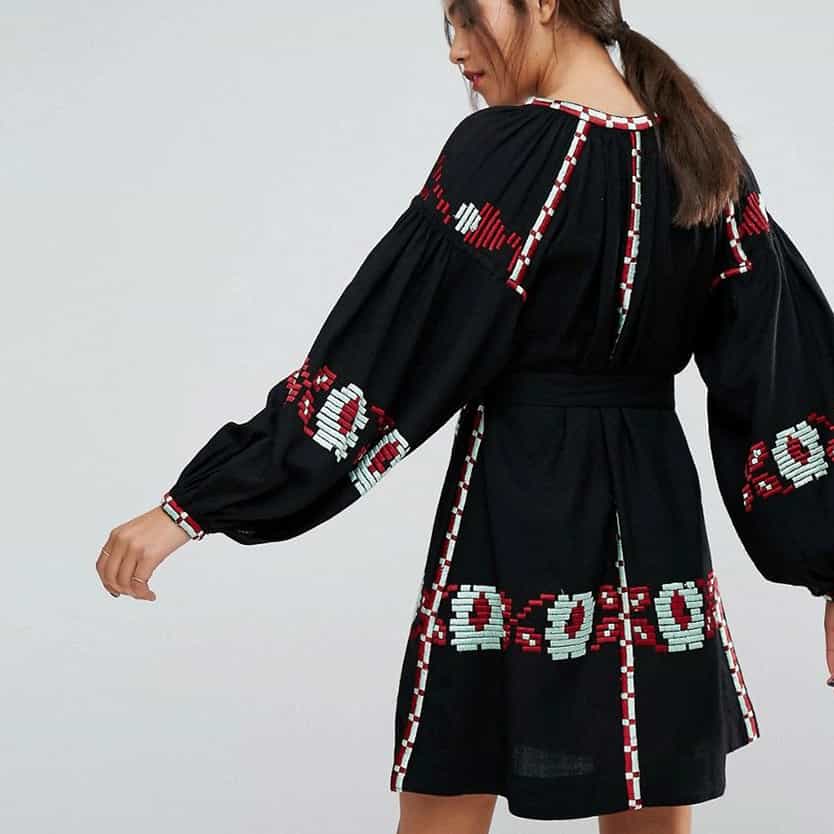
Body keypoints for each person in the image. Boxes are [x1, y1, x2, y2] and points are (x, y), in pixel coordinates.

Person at [95, 1, 834, 832]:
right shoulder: (703, 152)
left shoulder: (506, 153)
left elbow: (382, 358)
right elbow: (785, 379)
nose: (456, 51)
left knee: (451, 785)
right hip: (657, 518)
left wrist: (194, 507)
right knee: (647, 779)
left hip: (515, 509)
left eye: (467, 16)